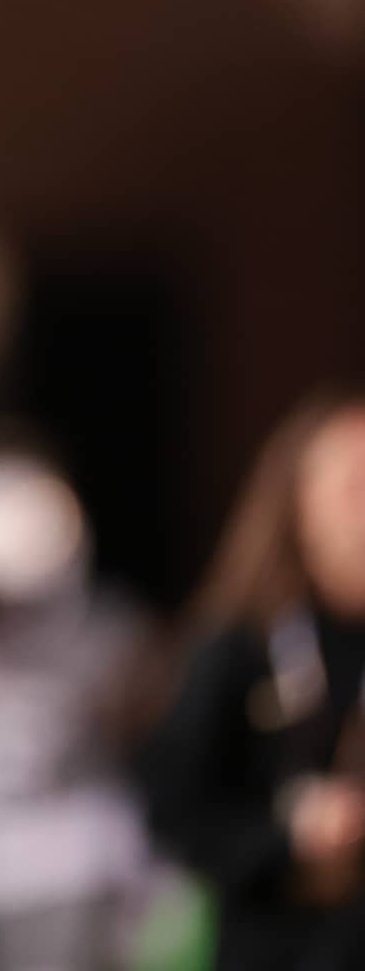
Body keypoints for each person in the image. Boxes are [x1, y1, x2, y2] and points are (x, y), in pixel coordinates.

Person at [142, 393, 365, 969]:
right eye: (354, 488)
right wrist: (288, 837)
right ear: (298, 508)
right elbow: (172, 810)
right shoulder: (242, 647)